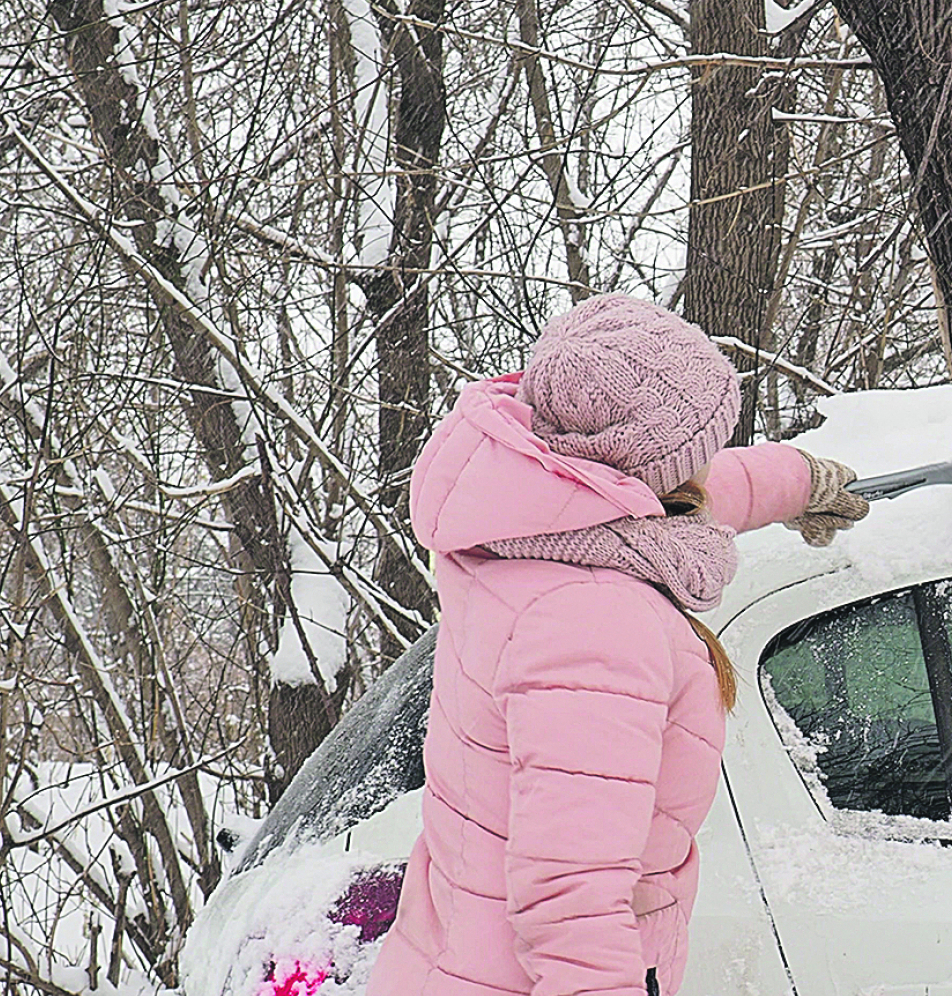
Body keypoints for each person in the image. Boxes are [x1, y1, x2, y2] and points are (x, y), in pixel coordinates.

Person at [364, 294, 868, 996]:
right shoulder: (594, 626)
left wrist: (798, 482)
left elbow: (674, 495)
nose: (707, 464)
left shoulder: (522, 518)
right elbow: (571, 900)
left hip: (450, 960)